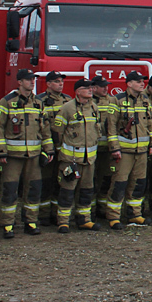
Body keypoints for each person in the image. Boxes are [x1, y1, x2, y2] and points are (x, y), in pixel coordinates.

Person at [0, 69, 55, 239]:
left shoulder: (38, 102)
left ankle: (31, 221)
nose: (32, 82)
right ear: (19, 82)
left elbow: (45, 129)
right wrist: (0, 152)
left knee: (34, 189)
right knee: (10, 189)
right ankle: (7, 224)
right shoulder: (7, 102)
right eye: (28, 80)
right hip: (12, 157)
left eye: (33, 79)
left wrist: (48, 149)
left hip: (33, 156)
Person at [107, 71, 152, 229]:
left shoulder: (145, 100)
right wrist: (115, 148)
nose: (142, 84)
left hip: (141, 151)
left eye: (142, 81)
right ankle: (114, 217)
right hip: (124, 152)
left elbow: (151, 124)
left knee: (138, 184)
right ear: (128, 84)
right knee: (119, 184)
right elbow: (111, 127)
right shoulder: (117, 100)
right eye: (138, 81)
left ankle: (135, 215)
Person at [53, 79, 102, 232]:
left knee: (87, 191)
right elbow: (57, 132)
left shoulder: (94, 107)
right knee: (67, 191)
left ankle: (84, 220)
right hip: (70, 160)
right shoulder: (67, 109)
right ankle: (63, 222)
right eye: (86, 88)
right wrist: (61, 152)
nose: (90, 90)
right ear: (77, 91)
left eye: (91, 88)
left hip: (89, 160)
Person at [36, 70, 72, 225]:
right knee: (46, 182)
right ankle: (43, 214)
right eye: (57, 81)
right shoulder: (39, 101)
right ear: (48, 84)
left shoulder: (68, 101)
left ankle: (56, 213)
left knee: (61, 182)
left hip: (64, 149)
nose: (60, 84)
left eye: (61, 82)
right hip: (47, 148)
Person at [90, 76, 116, 220]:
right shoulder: (87, 102)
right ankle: (90, 211)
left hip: (107, 149)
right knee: (90, 182)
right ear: (93, 88)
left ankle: (102, 208)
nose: (106, 88)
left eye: (106, 86)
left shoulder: (112, 101)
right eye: (102, 86)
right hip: (91, 150)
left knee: (106, 179)